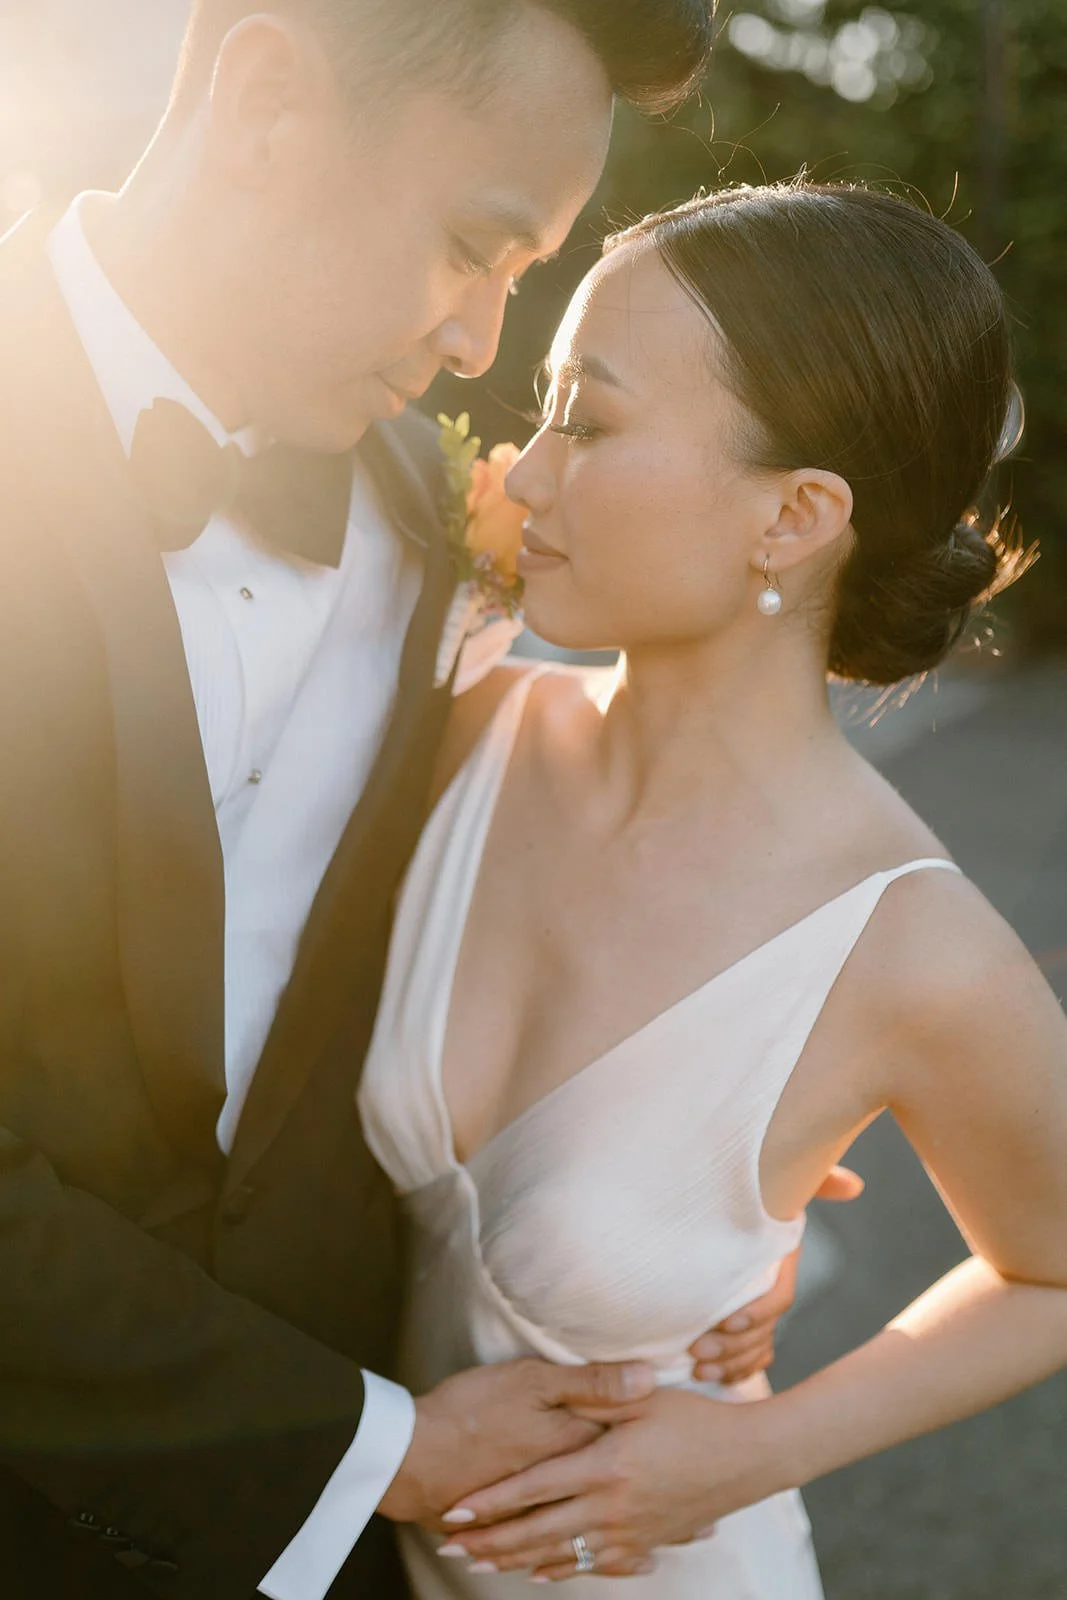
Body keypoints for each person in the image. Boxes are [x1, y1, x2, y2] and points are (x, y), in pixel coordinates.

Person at [0, 5, 828, 1599]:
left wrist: (695, 1143)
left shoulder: (428, 512)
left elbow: (486, 880)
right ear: (264, 101)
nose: (477, 348)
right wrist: (351, 1447)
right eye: (473, 245)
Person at [358, 180, 1067, 1597]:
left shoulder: (909, 943)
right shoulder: (456, 734)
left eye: (593, 421)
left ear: (792, 516)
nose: (530, 468)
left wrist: (760, 1450)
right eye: (544, 408)